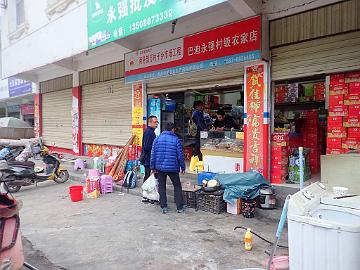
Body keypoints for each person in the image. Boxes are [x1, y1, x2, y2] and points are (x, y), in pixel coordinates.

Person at [150, 122, 186, 214]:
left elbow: (153, 154)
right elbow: (180, 155)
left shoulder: (157, 139)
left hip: (160, 168)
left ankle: (163, 207)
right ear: (173, 129)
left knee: (161, 186)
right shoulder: (176, 140)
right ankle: (179, 207)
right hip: (173, 168)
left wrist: (152, 167)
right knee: (177, 186)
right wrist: (183, 167)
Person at [140, 115, 158, 203]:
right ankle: (145, 196)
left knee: (150, 177)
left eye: (157, 122)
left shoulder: (151, 131)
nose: (156, 124)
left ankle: (149, 196)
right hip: (148, 159)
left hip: (149, 158)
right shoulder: (148, 132)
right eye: (155, 122)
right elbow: (146, 147)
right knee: (148, 177)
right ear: (150, 122)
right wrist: (156, 146)